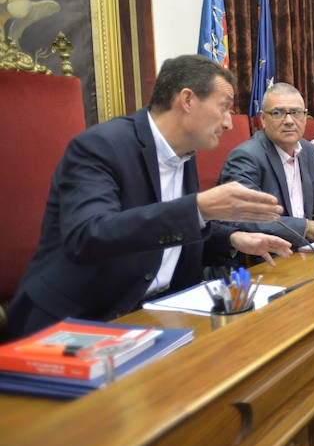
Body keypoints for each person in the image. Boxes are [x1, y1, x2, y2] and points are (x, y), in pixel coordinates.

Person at [3, 54, 293, 340]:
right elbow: (89, 234)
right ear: (188, 100)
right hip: (79, 322)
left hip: (157, 314)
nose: (230, 123)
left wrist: (232, 238)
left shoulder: (184, 154)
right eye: (224, 108)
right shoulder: (99, 146)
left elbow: (169, 224)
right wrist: (198, 207)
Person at [219, 83, 314, 246]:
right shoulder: (247, 156)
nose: (289, 121)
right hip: (267, 255)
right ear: (263, 119)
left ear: (305, 116)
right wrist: (307, 227)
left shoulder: (308, 151)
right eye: (278, 113)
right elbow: (246, 217)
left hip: (307, 249)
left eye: (296, 113)